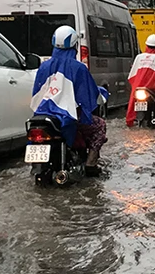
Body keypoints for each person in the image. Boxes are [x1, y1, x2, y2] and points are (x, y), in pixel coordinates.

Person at [31, 25, 108, 172]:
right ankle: (91, 165)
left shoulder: (44, 66)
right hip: (68, 117)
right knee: (100, 126)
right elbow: (88, 95)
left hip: (43, 116)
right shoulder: (78, 68)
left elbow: (36, 93)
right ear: (75, 45)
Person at [125, 33, 155, 127]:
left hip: (138, 88)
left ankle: (131, 119)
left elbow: (131, 76)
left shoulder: (139, 57)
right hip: (152, 90)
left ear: (146, 45)